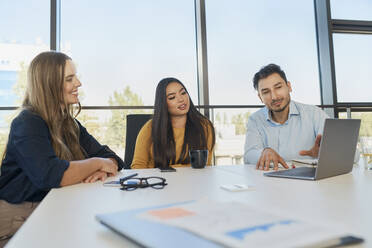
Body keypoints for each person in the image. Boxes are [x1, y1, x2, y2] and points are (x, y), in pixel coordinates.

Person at [0, 51, 124, 247]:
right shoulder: (27, 122)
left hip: (53, 207)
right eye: (69, 79)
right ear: (49, 85)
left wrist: (105, 164)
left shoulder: (69, 124)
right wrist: (97, 164)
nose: (79, 84)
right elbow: (50, 175)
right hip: (18, 219)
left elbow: (112, 157)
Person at [244, 63, 328, 171]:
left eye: (278, 87)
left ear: (289, 87)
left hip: (310, 182)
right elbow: (249, 155)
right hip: (271, 183)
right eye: (266, 92)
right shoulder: (255, 120)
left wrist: (327, 152)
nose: (274, 97)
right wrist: (263, 152)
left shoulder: (314, 114)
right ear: (260, 97)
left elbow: (352, 154)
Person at [131, 77, 215, 169]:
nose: (181, 99)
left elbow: (205, 166)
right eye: (172, 97)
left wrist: (172, 169)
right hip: (157, 181)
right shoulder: (150, 127)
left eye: (183, 93)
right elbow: (138, 166)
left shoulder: (204, 126)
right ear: (163, 103)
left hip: (193, 181)